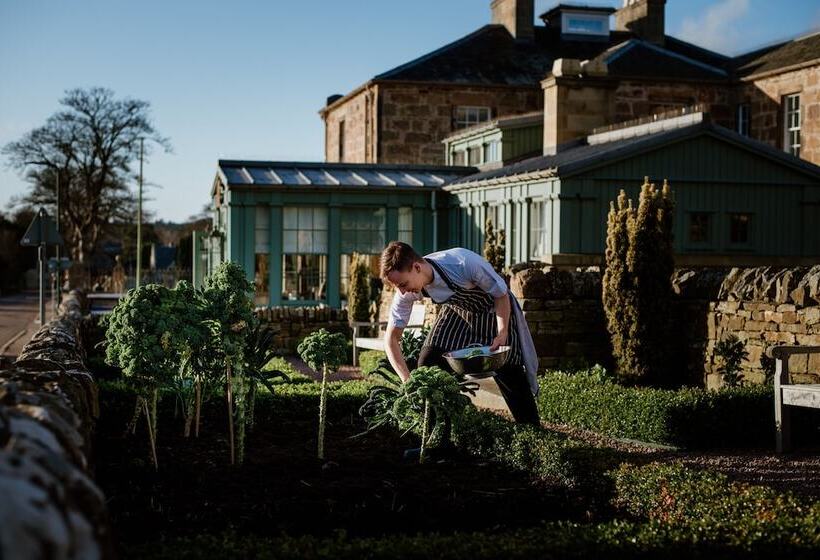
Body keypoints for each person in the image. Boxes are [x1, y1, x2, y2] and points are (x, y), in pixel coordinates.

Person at [380, 241, 540, 425]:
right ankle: (440, 441)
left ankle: (532, 430)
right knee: (430, 361)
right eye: (397, 287)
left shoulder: (462, 263)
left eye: (403, 284)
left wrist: (502, 333)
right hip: (459, 312)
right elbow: (391, 339)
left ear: (416, 267)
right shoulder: (407, 291)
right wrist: (408, 381)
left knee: (507, 365)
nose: (402, 291)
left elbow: (501, 295)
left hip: (494, 311)